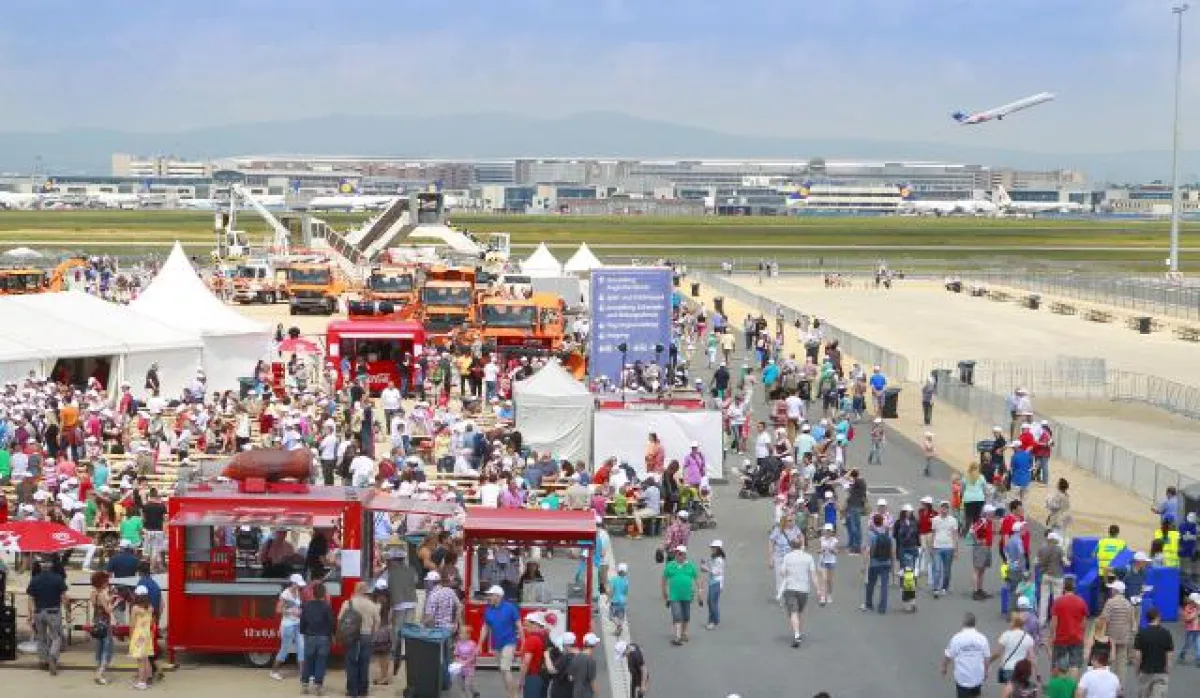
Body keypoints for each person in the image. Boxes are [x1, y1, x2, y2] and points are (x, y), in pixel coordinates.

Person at [478, 584, 522, 698]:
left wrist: (523, 642)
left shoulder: (510, 607)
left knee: (505, 668)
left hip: (509, 642)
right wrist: (480, 643)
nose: (488, 597)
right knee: (503, 671)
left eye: (490, 595)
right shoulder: (488, 609)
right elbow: (485, 627)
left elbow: (519, 625)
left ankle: (514, 696)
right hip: (496, 644)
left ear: (498, 596)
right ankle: (511, 693)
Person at [338, 582, 381, 698]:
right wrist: (373, 634)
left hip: (351, 637)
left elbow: (340, 619)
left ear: (355, 590)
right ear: (366, 591)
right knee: (364, 663)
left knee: (351, 663)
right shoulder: (371, 604)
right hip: (366, 636)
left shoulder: (348, 603)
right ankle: (363, 690)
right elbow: (377, 621)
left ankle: (352, 690)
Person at [26, 560, 68, 675]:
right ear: (51, 566)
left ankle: (43, 661)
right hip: (53, 611)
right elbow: (64, 597)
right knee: (56, 637)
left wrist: (30, 614)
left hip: (38, 612)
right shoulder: (58, 579)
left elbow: (30, 599)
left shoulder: (34, 579)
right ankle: (53, 655)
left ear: (40, 567)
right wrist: (68, 612)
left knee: (41, 637)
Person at [778, 536, 819, 648]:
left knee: (793, 612)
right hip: (803, 589)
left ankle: (797, 634)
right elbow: (813, 575)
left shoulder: (787, 557)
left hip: (790, 587)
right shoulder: (808, 557)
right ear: (801, 544)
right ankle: (798, 632)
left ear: (791, 546)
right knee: (799, 611)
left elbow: (782, 572)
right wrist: (818, 589)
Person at [1046, 575, 1088, 678]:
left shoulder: (1058, 602)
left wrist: (1051, 637)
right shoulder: (1081, 601)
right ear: (1074, 587)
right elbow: (1084, 623)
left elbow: (1054, 622)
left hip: (1061, 638)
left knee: (1056, 663)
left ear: (1064, 587)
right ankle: (1072, 688)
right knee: (1075, 665)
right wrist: (1082, 635)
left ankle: (1056, 686)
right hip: (1076, 638)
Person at [1096, 579, 1135, 688]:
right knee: (1121, 664)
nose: (1111, 590)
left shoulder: (1110, 602)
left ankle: (1105, 686)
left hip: (1110, 637)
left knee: (1106, 661)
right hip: (1124, 637)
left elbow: (1104, 618)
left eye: (1112, 588)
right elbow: (1131, 621)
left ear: (1115, 590)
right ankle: (1119, 687)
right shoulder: (1128, 603)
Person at [942, 612, 989, 698]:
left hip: (963, 677)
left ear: (963, 623)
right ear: (975, 623)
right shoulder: (982, 638)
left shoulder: (957, 638)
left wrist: (944, 667)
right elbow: (986, 658)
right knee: (976, 695)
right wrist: (986, 672)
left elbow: (948, 655)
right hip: (977, 675)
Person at [661, 545, 701, 646]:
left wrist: (700, 591)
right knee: (677, 615)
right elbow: (664, 580)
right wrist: (664, 593)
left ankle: (684, 633)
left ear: (684, 555)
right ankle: (677, 636)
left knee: (686, 615)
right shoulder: (670, 565)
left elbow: (697, 579)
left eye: (680, 554)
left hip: (687, 595)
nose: (678, 555)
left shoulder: (690, 566)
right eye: (677, 553)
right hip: (674, 596)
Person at [300, 582, 334, 696]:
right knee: (321, 661)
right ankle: (318, 686)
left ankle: (305, 685)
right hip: (324, 637)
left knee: (308, 660)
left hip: (310, 636)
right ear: (323, 593)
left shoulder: (306, 605)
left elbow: (303, 621)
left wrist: (303, 632)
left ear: (313, 593)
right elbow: (331, 623)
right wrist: (331, 635)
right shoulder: (327, 606)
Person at [270, 573, 307, 681]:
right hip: (287, 625)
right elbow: (278, 610)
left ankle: (303, 674)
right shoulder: (285, 594)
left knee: (302, 647)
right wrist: (292, 611)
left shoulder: (297, 592)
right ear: (293, 583)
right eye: (298, 584)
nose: (300, 586)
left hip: (297, 623)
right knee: (285, 649)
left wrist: (300, 611)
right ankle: (274, 671)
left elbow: (298, 606)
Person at [1133, 607, 1173, 698]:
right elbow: (1169, 655)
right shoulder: (1166, 633)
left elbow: (1137, 655)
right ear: (1158, 617)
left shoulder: (1141, 634)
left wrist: (1137, 670)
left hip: (1145, 671)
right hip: (1160, 672)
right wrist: (1168, 669)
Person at [991, 612, 1036, 685]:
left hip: (1008, 668)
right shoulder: (1028, 638)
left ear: (1013, 623)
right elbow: (1031, 657)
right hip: (1022, 669)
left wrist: (989, 661)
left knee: (1008, 689)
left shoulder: (1006, 635)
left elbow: (997, 653)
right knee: (1019, 691)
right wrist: (1035, 673)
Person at [861, 513, 893, 614]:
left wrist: (864, 564)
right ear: (882, 522)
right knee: (884, 586)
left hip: (874, 562)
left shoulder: (871, 534)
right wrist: (892, 564)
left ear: (873, 522)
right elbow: (892, 550)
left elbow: (867, 550)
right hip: (886, 562)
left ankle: (869, 603)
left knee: (870, 584)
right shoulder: (887, 533)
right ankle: (882, 607)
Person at [90, 571, 115, 686]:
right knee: (107, 648)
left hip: (96, 622)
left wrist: (109, 598)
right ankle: (99, 674)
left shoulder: (93, 593)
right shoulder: (102, 594)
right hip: (105, 623)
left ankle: (98, 670)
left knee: (99, 647)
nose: (107, 583)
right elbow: (108, 610)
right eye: (106, 581)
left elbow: (98, 605)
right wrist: (114, 603)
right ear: (102, 582)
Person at [129, 585, 155, 691]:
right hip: (147, 634)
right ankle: (148, 678)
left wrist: (130, 636)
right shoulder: (150, 607)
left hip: (139, 635)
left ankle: (141, 682)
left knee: (140, 660)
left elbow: (132, 624)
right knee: (146, 658)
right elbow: (152, 622)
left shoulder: (135, 608)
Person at [518, 613, 549, 698]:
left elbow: (526, 662)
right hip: (543, 676)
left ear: (535, 624)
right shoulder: (544, 637)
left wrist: (521, 680)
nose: (525, 628)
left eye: (527, 625)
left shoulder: (532, 639)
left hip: (532, 677)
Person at [702, 540, 726, 629]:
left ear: (718, 549)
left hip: (717, 582)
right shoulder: (714, 558)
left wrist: (705, 568)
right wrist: (704, 565)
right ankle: (713, 620)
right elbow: (709, 569)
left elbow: (715, 572)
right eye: (711, 548)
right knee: (711, 602)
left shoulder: (719, 559)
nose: (712, 549)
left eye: (713, 548)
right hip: (712, 582)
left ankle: (714, 620)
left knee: (712, 602)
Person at [451, 624, 479, 698]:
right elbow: (456, 654)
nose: (460, 635)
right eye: (460, 633)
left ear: (468, 635)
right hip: (460, 668)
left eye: (462, 633)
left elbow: (474, 656)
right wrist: (458, 661)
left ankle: (474, 692)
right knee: (461, 685)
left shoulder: (472, 644)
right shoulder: (458, 644)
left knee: (468, 685)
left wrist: (466, 662)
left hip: (469, 668)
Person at [569, 633, 600, 698]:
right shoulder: (591, 661)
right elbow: (593, 682)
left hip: (576, 693)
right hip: (587, 694)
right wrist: (597, 695)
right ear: (594, 645)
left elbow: (571, 677)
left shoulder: (575, 657)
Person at [609, 562, 630, 636]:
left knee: (611, 617)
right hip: (622, 601)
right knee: (620, 616)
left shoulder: (613, 580)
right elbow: (626, 591)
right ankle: (618, 630)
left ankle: (619, 626)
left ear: (617, 570)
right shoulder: (626, 581)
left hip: (615, 601)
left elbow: (611, 590)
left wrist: (608, 598)